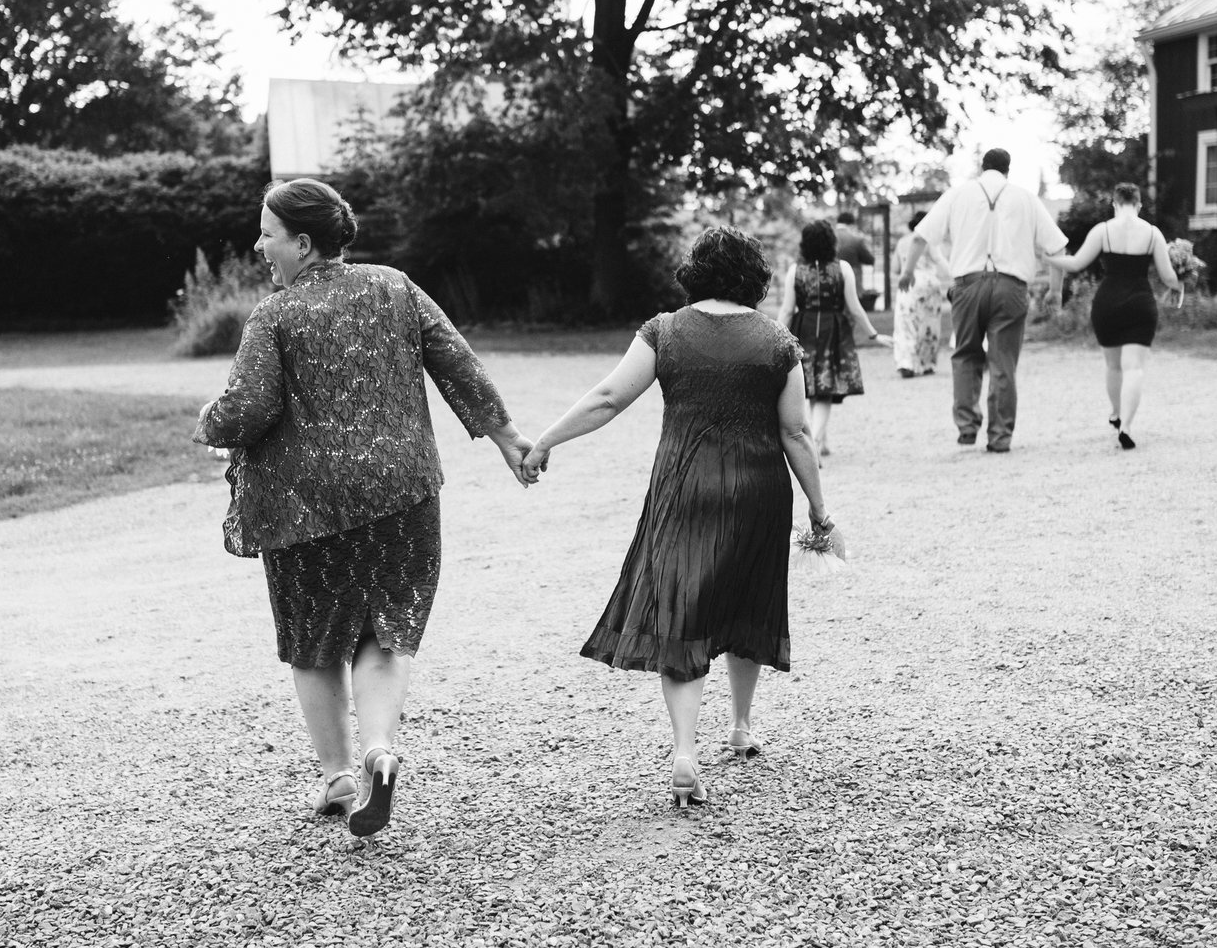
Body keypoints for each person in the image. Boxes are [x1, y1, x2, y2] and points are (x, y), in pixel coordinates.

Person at [195, 178, 536, 837]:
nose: (259, 244)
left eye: (266, 232)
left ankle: (339, 775)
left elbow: (251, 407)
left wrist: (207, 418)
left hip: (304, 507)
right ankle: (379, 748)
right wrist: (508, 437)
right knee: (384, 629)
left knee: (315, 638)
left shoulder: (277, 313)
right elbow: (458, 364)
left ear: (301, 240)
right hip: (401, 493)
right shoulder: (395, 286)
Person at [522, 227, 830, 809]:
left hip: (684, 486)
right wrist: (819, 511)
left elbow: (609, 398)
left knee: (684, 608)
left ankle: (685, 750)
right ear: (752, 277)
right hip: (759, 489)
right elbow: (795, 432)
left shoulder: (663, 331)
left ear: (695, 272)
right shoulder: (779, 343)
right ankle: (740, 727)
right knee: (747, 602)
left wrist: (546, 441)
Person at [898, 149, 1067, 453]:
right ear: (1007, 170)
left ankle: (966, 425)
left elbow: (920, 237)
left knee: (965, 354)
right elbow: (1056, 247)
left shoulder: (958, 194)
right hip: (1011, 286)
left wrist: (907, 271)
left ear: (982, 167)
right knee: (1003, 362)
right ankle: (1000, 436)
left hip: (967, 285)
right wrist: (1055, 290)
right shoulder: (1025, 198)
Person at [1045, 182, 1183, 449]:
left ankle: (1117, 415)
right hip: (1141, 304)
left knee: (1113, 366)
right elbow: (1168, 276)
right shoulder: (1153, 233)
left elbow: (1076, 264)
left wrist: (1047, 259)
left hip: (1107, 303)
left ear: (1115, 204)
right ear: (1139, 204)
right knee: (1134, 368)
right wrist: (1184, 283)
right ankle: (1128, 426)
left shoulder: (1103, 231)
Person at [774, 220, 875, 460]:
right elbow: (855, 308)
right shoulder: (844, 269)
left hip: (804, 329)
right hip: (833, 331)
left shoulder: (795, 270)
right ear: (832, 242)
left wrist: (775, 336)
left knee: (809, 387)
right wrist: (872, 332)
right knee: (825, 389)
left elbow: (787, 310)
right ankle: (815, 442)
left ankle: (820, 440)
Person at [890, 210, 951, 378]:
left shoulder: (902, 242)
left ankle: (906, 363)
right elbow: (939, 259)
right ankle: (926, 363)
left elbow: (895, 268)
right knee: (929, 324)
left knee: (905, 324)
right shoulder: (929, 241)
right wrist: (955, 276)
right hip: (929, 284)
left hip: (907, 284)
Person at [833, 208, 883, 311]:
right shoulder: (856, 239)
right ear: (851, 224)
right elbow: (869, 259)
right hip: (852, 281)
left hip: (830, 280)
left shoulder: (828, 235)